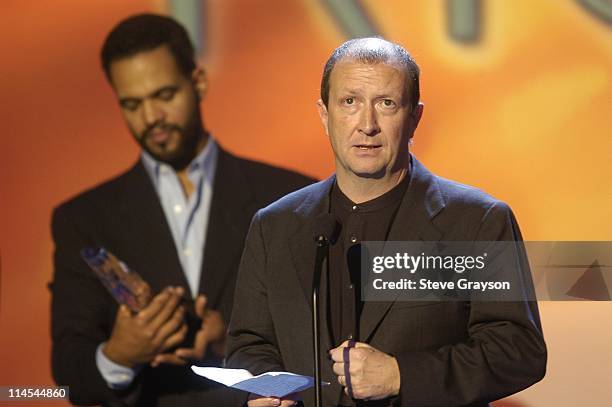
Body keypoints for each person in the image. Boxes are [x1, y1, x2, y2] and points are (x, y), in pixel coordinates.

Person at [226, 38, 547, 406]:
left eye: (386, 103)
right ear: (324, 114)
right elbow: (249, 345)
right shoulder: (276, 226)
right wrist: (265, 392)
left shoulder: (477, 221)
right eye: (350, 102)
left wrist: (401, 374)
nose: (367, 125)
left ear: (414, 117)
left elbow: (518, 351)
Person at [50, 14, 315, 406]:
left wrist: (234, 343)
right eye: (132, 104)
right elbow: (69, 371)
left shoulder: (292, 196)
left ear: (199, 83)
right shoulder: (84, 221)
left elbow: (330, 339)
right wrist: (119, 355)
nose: (151, 117)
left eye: (165, 95)